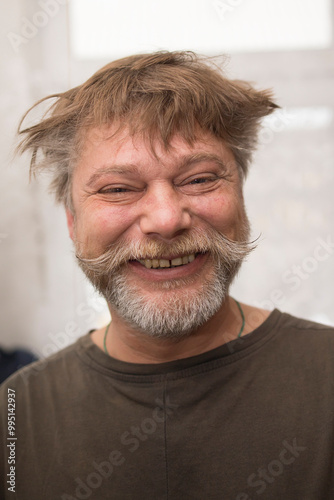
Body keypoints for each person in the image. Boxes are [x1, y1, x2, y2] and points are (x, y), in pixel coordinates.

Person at [1, 51, 333, 500]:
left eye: (199, 179)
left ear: (241, 195)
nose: (165, 219)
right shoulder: (18, 414)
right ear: (73, 221)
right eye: (118, 188)